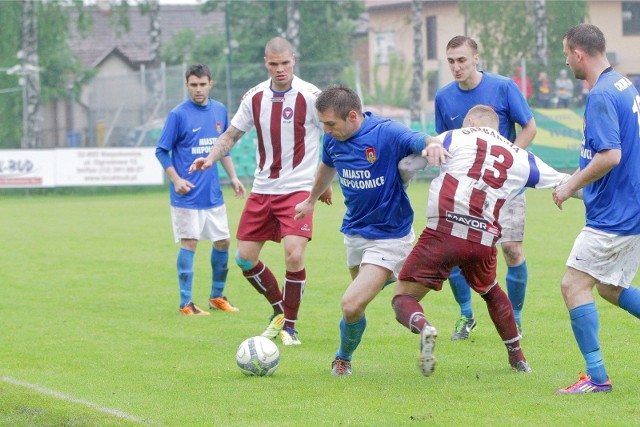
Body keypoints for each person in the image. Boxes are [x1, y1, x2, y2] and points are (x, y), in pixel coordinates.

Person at [393, 105, 571, 376]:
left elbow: (407, 165)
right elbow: (564, 182)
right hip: (483, 237)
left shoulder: (455, 136)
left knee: (403, 296)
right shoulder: (520, 156)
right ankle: (518, 358)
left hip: (444, 229)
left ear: (471, 121)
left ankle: (424, 326)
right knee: (491, 291)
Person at [189, 37, 331, 345]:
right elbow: (231, 135)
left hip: (297, 190)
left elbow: (331, 135)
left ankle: (289, 327)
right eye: (273, 64)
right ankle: (280, 308)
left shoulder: (311, 96)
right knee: (244, 258)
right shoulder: (254, 97)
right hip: (263, 189)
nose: (280, 69)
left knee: (293, 254)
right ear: (265, 63)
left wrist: (324, 184)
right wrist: (210, 158)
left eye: (285, 63)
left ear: (294, 60)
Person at [294, 85, 429, 376]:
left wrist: (434, 145)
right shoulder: (333, 139)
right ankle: (402, 275)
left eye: (330, 124)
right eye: (323, 125)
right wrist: (311, 199)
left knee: (351, 303)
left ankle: (342, 359)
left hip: (390, 235)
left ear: (353, 116)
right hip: (355, 232)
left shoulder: (385, 132)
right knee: (358, 306)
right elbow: (327, 167)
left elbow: (419, 139)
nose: (326, 131)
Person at [552, 23, 640, 394]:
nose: (566, 61)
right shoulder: (623, 84)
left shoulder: (602, 94)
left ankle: (597, 377)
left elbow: (611, 155)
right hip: (628, 208)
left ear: (578, 54)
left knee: (573, 285)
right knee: (609, 287)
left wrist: (571, 184)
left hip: (614, 217)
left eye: (566, 53)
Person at [432, 35, 537, 340]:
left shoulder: (503, 87)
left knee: (512, 250)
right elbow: (445, 141)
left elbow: (529, 126)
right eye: (450, 61)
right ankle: (466, 316)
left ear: (476, 58)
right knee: (452, 254)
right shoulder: (443, 97)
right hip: (464, 191)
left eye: (462, 60)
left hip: (504, 188)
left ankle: (514, 318)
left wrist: (511, 163)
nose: (456, 66)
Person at [155, 63, 246, 316]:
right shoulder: (178, 115)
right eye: (193, 85)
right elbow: (161, 150)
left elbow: (223, 147)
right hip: (187, 194)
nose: (198, 89)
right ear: (187, 85)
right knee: (190, 242)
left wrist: (234, 177)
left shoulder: (219, 110)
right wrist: (176, 180)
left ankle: (217, 297)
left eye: (202, 84)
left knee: (223, 241)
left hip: (212, 194)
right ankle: (186, 303)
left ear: (210, 84)